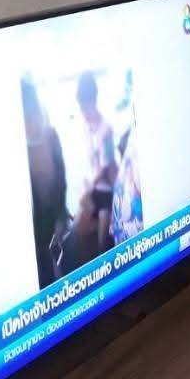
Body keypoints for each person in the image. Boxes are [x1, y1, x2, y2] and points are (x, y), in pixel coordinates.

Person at [21, 78, 67, 287]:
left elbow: (61, 180)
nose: (34, 122)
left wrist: (61, 217)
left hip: (56, 221)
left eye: (35, 113)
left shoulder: (52, 136)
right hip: (37, 236)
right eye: (28, 116)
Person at [76, 71, 117, 252]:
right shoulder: (87, 128)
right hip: (93, 189)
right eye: (81, 109)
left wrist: (91, 185)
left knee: (102, 244)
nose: (83, 113)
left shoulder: (106, 129)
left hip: (106, 190)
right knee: (77, 230)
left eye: (85, 108)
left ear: (93, 102)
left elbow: (105, 167)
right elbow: (91, 164)